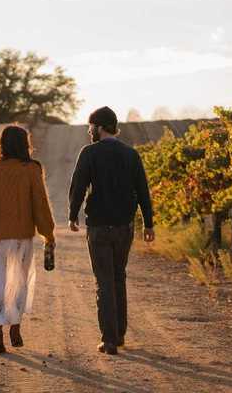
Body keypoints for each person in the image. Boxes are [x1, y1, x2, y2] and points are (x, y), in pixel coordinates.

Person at [68, 106, 154, 355]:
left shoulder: (89, 153)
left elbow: (78, 187)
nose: (88, 131)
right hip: (124, 227)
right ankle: (120, 334)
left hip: (98, 227)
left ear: (99, 127)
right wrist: (148, 223)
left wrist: (73, 216)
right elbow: (143, 191)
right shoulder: (131, 155)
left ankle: (108, 339)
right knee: (118, 277)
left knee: (103, 280)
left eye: (90, 127)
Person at [0, 125, 55, 354]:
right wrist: (48, 233)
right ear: (26, 144)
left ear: (1, 144)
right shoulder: (32, 169)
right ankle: (15, 327)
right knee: (20, 282)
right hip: (22, 237)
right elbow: (40, 204)